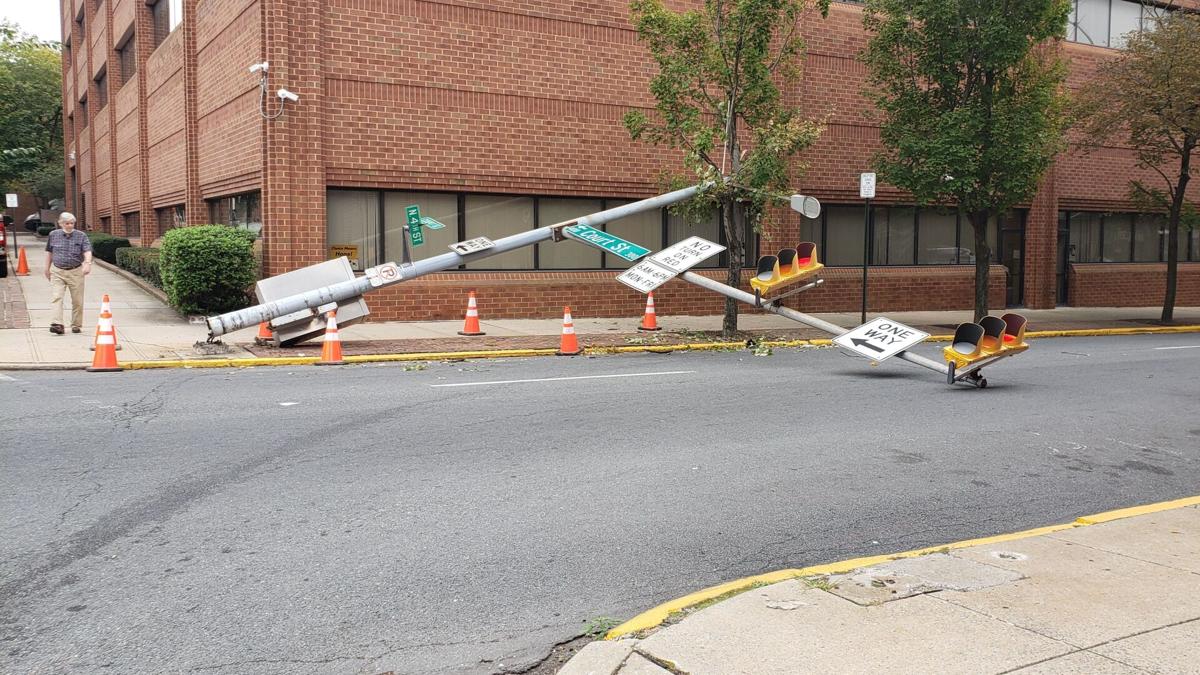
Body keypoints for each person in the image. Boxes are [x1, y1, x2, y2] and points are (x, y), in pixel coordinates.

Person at [44, 212, 92, 335]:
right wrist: (46, 268)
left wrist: (87, 263)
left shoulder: (81, 236)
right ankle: (57, 324)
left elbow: (87, 251)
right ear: (60, 223)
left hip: (75, 271)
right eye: (67, 223)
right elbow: (49, 252)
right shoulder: (53, 235)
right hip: (57, 270)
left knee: (77, 300)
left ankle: (76, 324)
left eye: (72, 223)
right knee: (57, 297)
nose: (70, 225)